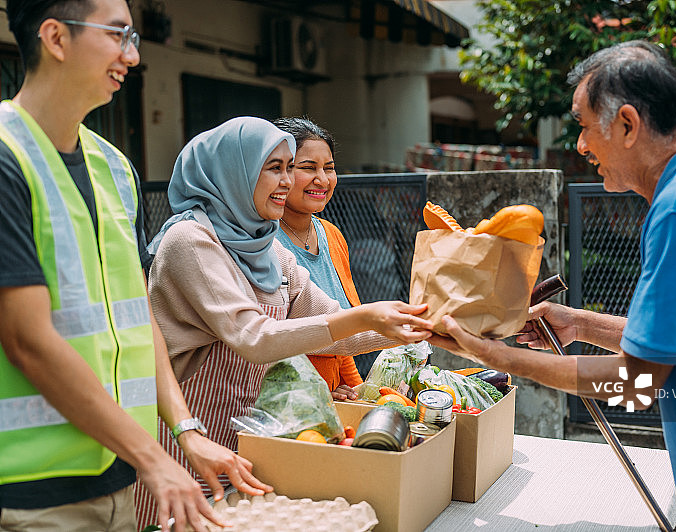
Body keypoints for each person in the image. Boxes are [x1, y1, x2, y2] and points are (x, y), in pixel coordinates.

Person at [430, 40, 676, 531]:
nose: (581, 146)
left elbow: (639, 380)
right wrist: (578, 322)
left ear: (627, 124)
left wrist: (500, 358)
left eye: (584, 126)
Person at [0, 2, 268, 531]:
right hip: (34, 491)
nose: (132, 55)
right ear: (55, 38)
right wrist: (154, 457)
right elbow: (27, 340)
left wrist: (186, 433)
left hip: (123, 477)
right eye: (119, 35)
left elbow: (135, 315)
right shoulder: (7, 159)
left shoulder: (113, 167)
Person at [136, 116, 432, 526]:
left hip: (249, 435)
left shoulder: (268, 250)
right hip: (185, 438)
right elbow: (252, 336)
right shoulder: (190, 241)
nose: (287, 181)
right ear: (233, 171)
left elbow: (334, 329)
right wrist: (365, 315)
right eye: (274, 168)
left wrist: (420, 323)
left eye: (289, 167)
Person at [273, 117, 363, 400]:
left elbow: (341, 329)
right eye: (308, 168)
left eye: (330, 168)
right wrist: (315, 393)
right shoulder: (265, 243)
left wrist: (359, 390)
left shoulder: (332, 235)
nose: (322, 180)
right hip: (287, 401)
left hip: (334, 398)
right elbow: (265, 342)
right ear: (279, 172)